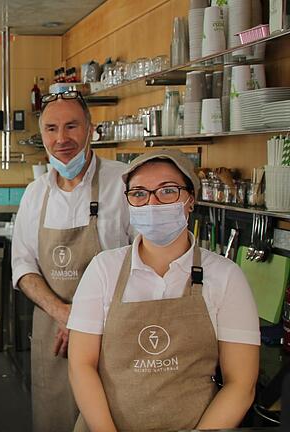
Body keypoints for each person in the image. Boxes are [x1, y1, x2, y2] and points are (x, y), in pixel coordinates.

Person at [68, 149, 260, 431]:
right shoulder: (103, 270)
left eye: (168, 191)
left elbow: (241, 384)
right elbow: (81, 366)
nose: (152, 203)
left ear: (190, 199)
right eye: (139, 193)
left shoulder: (226, 277)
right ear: (129, 202)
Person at [11, 91, 134, 431]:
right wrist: (65, 313)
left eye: (71, 126)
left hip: (113, 326)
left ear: (90, 129)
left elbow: (144, 257)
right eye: (51, 128)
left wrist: (86, 317)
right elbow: (23, 268)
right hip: (54, 328)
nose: (61, 138)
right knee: (55, 417)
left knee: (112, 416)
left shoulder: (124, 182)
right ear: (43, 136)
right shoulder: (35, 194)